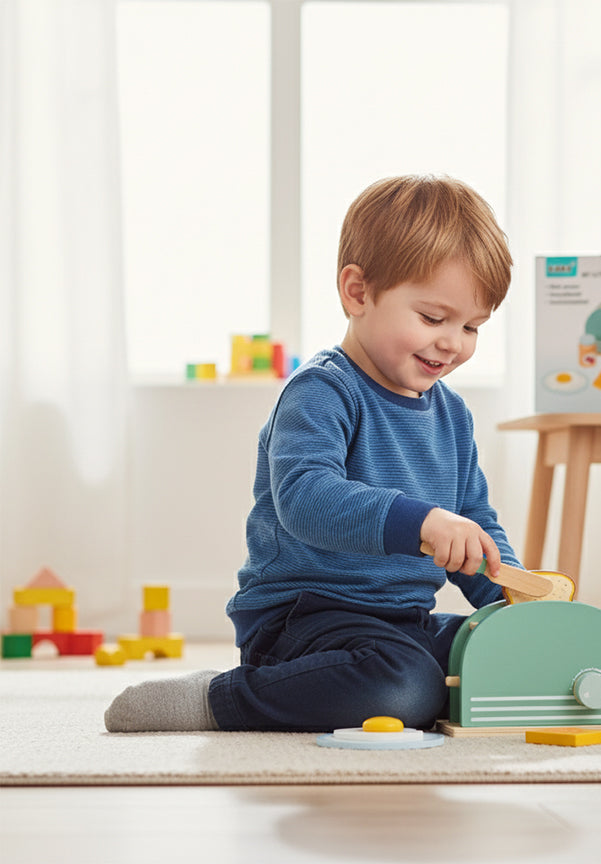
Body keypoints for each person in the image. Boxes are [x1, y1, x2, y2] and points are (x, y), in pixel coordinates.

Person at [105, 174, 521, 733]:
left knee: (496, 658)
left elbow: (476, 524)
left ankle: (416, 682)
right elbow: (307, 499)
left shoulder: (453, 415)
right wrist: (419, 521)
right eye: (433, 318)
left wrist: (514, 598)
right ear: (357, 292)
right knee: (403, 685)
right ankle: (219, 699)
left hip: (403, 622)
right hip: (305, 618)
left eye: (472, 326)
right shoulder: (322, 392)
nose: (454, 342)